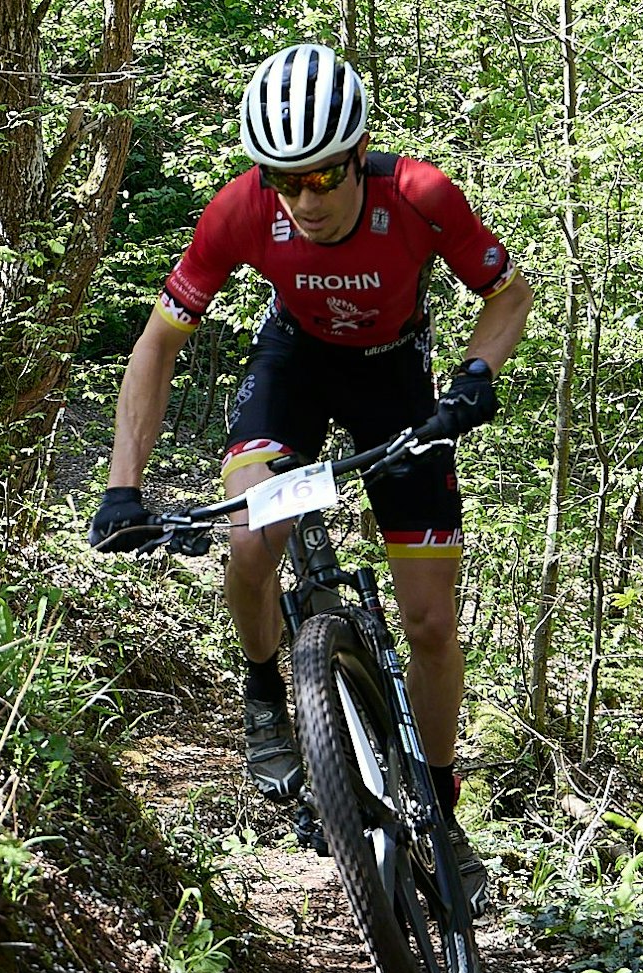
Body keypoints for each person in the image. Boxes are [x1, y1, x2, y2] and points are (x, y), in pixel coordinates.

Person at [89, 43, 533, 911]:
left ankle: (439, 813)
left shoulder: (421, 196)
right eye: (285, 181)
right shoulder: (238, 213)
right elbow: (156, 343)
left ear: (357, 153)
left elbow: (507, 296)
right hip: (292, 371)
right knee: (250, 543)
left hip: (396, 381)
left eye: (325, 178)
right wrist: (121, 486)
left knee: (431, 622)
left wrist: (475, 377)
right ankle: (265, 695)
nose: (305, 201)